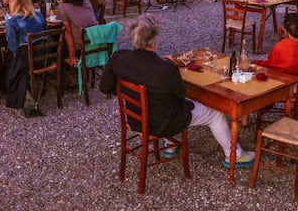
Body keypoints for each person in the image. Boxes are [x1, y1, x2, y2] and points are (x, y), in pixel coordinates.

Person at [99, 14, 255, 168]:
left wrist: (131, 93)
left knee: (165, 102)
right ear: (155, 39)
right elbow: (181, 94)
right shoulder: (166, 69)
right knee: (215, 113)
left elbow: (105, 87)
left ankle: (170, 145)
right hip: (162, 124)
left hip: (136, 119)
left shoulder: (118, 57)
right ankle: (235, 155)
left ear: (133, 37)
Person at [4, 0, 46, 112]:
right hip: (44, 57)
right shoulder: (39, 15)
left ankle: (16, 93)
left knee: (8, 59)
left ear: (13, 2)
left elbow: (12, 47)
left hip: (25, 61)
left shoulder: (12, 21)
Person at [56, 0, 98, 67]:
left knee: (57, 39)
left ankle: (60, 67)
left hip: (80, 47)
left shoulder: (62, 8)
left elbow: (68, 32)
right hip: (94, 41)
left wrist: (72, 56)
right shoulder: (86, 1)